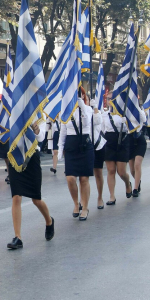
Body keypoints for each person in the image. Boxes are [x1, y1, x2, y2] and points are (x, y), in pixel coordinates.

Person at [5, 120, 54, 250]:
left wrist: (34, 127)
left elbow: (41, 137)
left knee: (36, 199)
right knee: (16, 196)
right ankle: (18, 237)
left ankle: (49, 221)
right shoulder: (15, 111)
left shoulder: (38, 115)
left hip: (32, 156)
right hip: (16, 155)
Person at [57, 89, 97, 220]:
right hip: (71, 145)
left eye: (78, 95)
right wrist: (60, 148)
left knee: (84, 179)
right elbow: (63, 131)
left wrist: (81, 106)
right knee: (70, 179)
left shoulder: (88, 109)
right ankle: (76, 203)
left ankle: (85, 207)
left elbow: (87, 123)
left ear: (83, 95)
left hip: (85, 144)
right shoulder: (65, 111)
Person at [100, 92, 133, 205]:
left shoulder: (124, 113)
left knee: (121, 172)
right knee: (111, 170)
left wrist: (126, 122)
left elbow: (133, 126)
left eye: (111, 98)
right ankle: (112, 196)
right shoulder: (104, 115)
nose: (109, 101)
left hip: (122, 140)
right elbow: (102, 129)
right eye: (108, 99)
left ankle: (127, 184)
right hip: (109, 141)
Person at [129, 126, 147, 197]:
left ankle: (135, 189)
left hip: (140, 140)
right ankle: (138, 181)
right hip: (129, 141)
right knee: (132, 170)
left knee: (137, 164)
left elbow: (144, 120)